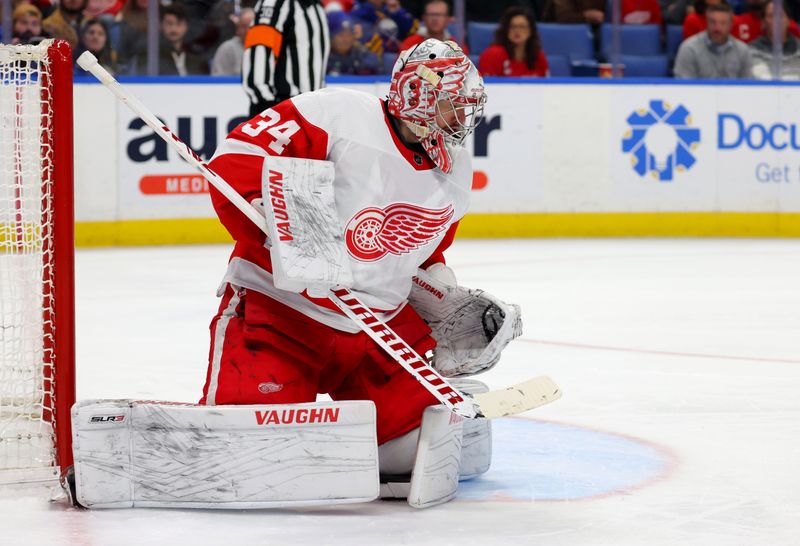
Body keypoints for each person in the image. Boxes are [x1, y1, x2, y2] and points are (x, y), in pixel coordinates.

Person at [202, 39, 486, 487]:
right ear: (417, 94)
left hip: (377, 334)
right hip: (282, 316)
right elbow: (235, 163)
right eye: (453, 105)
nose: (462, 119)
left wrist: (448, 302)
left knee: (420, 450)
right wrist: (285, 231)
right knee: (253, 454)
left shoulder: (457, 169)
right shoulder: (334, 114)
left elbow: (426, 254)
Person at [242, 0, 330, 117]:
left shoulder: (317, 7)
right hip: (282, 108)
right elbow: (259, 53)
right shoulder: (275, 3)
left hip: (312, 109)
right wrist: (267, 107)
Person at [674, 3, 754, 77]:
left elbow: (748, 87)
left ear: (731, 25)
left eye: (723, 23)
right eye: (713, 22)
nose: (717, 28)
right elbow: (684, 87)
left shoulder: (743, 51)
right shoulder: (689, 49)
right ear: (706, 23)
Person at [479, 7, 549, 76]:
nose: (517, 30)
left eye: (522, 26)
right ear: (506, 30)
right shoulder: (492, 54)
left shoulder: (538, 56)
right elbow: (486, 85)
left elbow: (548, 84)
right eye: (512, 26)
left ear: (531, 31)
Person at [750, 0, 800, 78]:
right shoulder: (750, 52)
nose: (777, 21)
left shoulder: (798, 49)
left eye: (780, 15)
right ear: (763, 22)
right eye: (771, 16)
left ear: (789, 21)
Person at [399, 0, 468, 53]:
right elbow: (399, 70)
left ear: (448, 19)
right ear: (424, 18)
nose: (435, 19)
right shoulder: (409, 44)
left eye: (439, 15)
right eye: (431, 14)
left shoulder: (458, 46)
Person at [211, 8, 255, 76]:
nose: (248, 30)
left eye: (251, 26)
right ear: (237, 29)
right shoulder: (227, 48)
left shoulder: (269, 48)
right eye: (243, 26)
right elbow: (218, 81)